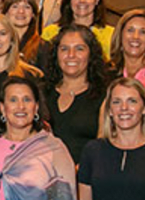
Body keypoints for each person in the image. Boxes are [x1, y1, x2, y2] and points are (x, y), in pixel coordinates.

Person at [0, 77, 78, 200]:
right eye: (13, 100)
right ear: (2, 107)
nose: (21, 106)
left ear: (36, 107)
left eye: (27, 100)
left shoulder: (52, 148)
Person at [44, 24, 109, 163]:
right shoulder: (42, 92)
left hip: (84, 177)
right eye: (64, 49)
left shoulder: (104, 95)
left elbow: (103, 148)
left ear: (91, 54)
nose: (71, 55)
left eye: (79, 49)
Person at [42, 0, 114, 60]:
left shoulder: (111, 35)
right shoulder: (50, 33)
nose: (82, 0)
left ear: (97, 0)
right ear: (70, 0)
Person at [5, 0, 50, 68]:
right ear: (6, 12)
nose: (21, 11)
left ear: (33, 14)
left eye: (27, 7)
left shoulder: (42, 46)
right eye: (15, 6)